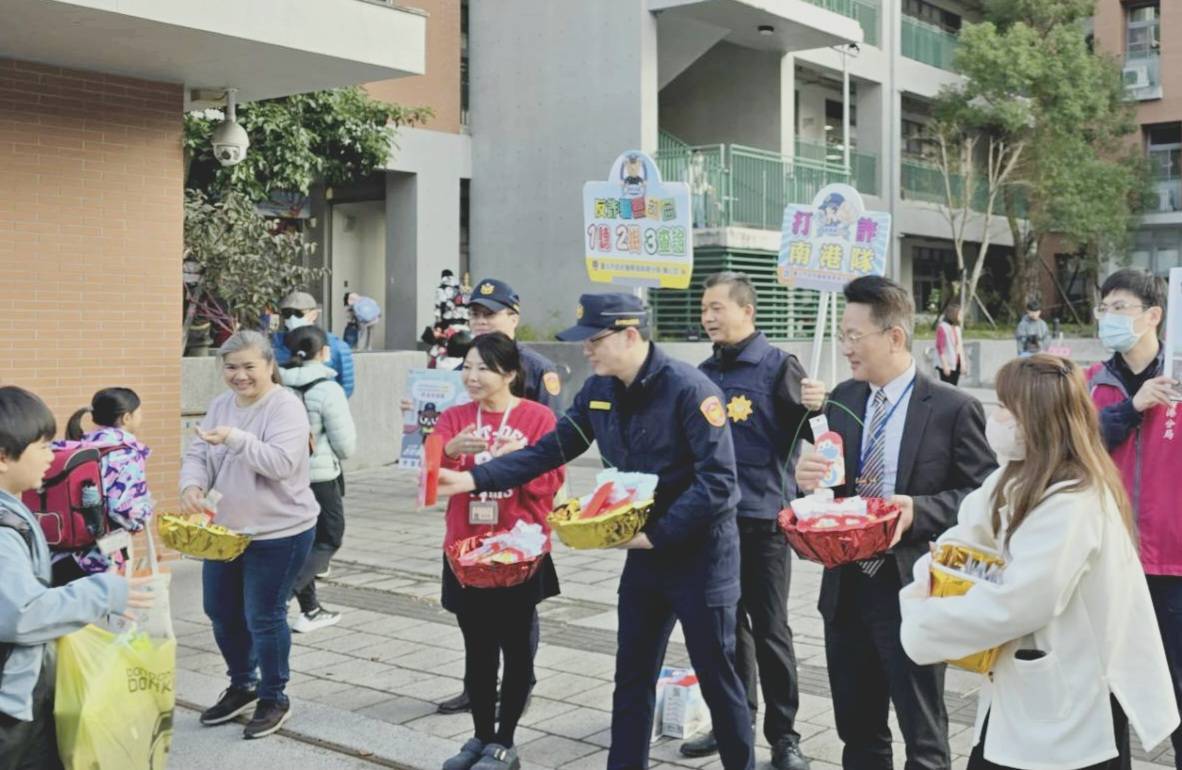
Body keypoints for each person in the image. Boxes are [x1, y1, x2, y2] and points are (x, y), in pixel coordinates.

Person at [437, 293, 756, 770]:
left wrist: (658, 535)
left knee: (718, 677)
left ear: (630, 335)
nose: (585, 350)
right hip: (644, 556)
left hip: (699, 558)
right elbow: (549, 450)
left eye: (594, 340)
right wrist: (474, 478)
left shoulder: (691, 390)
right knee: (631, 675)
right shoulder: (598, 390)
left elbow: (720, 484)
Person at [900, 354, 1180, 770]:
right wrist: (932, 581)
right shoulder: (1013, 475)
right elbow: (955, 546)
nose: (995, 418)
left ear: (1037, 421)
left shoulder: (1075, 499)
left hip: (1065, 710)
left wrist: (926, 621)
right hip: (1021, 698)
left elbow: (1021, 602)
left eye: (1005, 409)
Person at [794, 275, 996, 770]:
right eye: (842, 335)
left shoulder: (952, 408)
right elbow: (834, 487)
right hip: (845, 590)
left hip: (910, 588)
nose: (845, 347)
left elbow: (986, 495)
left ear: (895, 337)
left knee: (923, 737)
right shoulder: (843, 399)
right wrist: (807, 481)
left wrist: (918, 511)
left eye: (854, 336)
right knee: (858, 735)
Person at [685, 272, 825, 770]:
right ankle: (732, 724)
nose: (708, 317)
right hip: (713, 522)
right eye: (704, 308)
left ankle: (785, 737)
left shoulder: (777, 366)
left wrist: (820, 405)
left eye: (717, 308)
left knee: (770, 630)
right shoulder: (702, 373)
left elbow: (817, 432)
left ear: (747, 311)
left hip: (763, 519)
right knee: (726, 631)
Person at [0, 386, 152, 770]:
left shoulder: (12, 511)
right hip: (11, 700)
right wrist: (104, 591)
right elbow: (21, 614)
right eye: (43, 447)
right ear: (4, 457)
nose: (52, 457)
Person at [434, 332, 565, 770]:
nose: (471, 376)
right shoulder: (453, 419)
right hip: (465, 551)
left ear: (510, 373)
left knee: (517, 648)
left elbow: (552, 483)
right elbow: (429, 483)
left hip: (518, 551)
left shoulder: (538, 419)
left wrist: (522, 459)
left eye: (483, 368)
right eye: (467, 367)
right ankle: (480, 737)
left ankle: (505, 740)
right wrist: (449, 451)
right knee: (477, 648)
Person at [181, 330, 319, 739]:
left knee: (264, 615)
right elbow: (199, 453)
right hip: (225, 531)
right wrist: (191, 485)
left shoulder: (285, 407)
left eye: (248, 367)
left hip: (281, 530)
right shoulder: (222, 404)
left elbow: (281, 463)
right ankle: (243, 683)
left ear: (269, 366)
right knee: (221, 611)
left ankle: (274, 695)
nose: (239, 376)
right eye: (230, 367)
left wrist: (236, 439)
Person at [1085, 268, 1182, 767]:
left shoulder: (1181, 377)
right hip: (1109, 562)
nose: (1108, 318)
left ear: (1154, 316)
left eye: (1119, 308)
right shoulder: (1090, 385)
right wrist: (1131, 408)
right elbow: (1074, 448)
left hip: (1174, 568)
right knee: (1107, 698)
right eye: (1104, 308)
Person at [279, 325, 357, 634]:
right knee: (329, 536)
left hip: (284, 473)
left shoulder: (278, 386)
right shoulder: (328, 389)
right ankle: (284, 595)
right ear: (323, 352)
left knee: (303, 540)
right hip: (319, 476)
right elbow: (345, 446)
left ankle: (310, 610)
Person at [51, 387, 155, 585]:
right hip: (101, 556)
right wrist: (144, 514)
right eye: (138, 412)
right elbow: (123, 510)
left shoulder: (76, 445)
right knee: (103, 610)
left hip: (61, 549)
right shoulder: (126, 454)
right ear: (126, 417)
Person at [272, 291, 356, 398]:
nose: (292, 318)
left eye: (298, 313)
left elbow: (346, 387)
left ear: (314, 314)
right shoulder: (274, 344)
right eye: (287, 313)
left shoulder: (337, 346)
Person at [935, 303, 966, 386]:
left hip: (956, 363)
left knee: (954, 388)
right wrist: (945, 365)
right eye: (960, 314)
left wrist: (963, 362)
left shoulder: (957, 328)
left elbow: (959, 346)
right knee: (947, 388)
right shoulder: (943, 327)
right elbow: (940, 347)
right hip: (947, 363)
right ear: (954, 315)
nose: (961, 317)